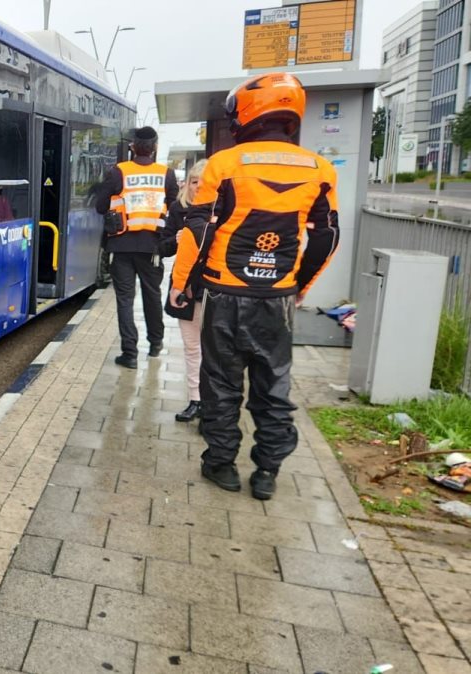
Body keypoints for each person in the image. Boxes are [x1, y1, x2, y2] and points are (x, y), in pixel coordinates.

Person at [170, 72, 339, 500]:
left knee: (221, 384)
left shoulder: (225, 165)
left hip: (225, 294)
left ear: (247, 113)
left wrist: (186, 285)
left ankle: (221, 464)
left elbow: (199, 230)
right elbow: (326, 236)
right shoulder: (320, 169)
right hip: (276, 299)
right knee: (273, 386)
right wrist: (299, 285)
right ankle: (267, 472)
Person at [96, 126, 179, 369]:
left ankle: (129, 354)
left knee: (125, 299)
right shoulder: (167, 174)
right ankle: (155, 343)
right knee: (152, 295)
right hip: (153, 247)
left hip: (121, 245)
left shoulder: (119, 171)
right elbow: (174, 211)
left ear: (133, 147)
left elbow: (101, 206)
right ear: (154, 148)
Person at [159, 159, 208, 423]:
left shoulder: (224, 209)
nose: (198, 186)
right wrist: (177, 241)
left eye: (203, 181)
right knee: (192, 348)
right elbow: (162, 246)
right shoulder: (178, 209)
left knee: (214, 348)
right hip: (186, 286)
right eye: (193, 181)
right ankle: (195, 400)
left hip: (214, 288)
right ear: (187, 183)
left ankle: (213, 402)